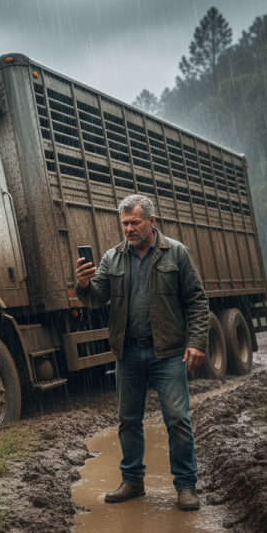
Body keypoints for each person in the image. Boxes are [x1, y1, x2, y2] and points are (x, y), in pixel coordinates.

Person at [75, 194, 208, 511]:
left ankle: (186, 487)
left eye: (134, 222)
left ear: (151, 221)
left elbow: (197, 302)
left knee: (177, 419)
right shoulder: (112, 258)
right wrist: (82, 286)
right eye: (124, 223)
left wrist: (197, 342)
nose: (129, 228)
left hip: (169, 353)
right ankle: (132, 481)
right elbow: (98, 298)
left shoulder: (176, 253)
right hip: (128, 354)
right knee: (128, 420)